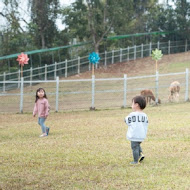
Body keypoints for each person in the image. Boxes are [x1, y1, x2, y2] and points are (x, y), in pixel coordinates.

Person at [124, 96, 148, 165]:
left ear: (136, 105)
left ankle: (135, 161)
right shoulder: (145, 115)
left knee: (134, 147)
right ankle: (140, 155)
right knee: (137, 145)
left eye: (132, 104)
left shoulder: (132, 115)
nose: (131, 105)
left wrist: (125, 119)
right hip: (142, 135)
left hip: (135, 134)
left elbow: (127, 121)